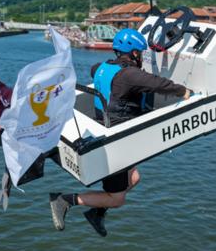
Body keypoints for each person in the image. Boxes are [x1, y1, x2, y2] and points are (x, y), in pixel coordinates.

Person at [50, 28, 192, 237]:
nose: (142, 57)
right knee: (117, 199)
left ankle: (97, 213)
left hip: (106, 128)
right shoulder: (130, 74)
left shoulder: (101, 67)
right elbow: (159, 84)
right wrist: (185, 92)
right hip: (116, 141)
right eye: (140, 53)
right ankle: (64, 200)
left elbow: (101, 74)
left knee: (133, 178)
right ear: (134, 53)